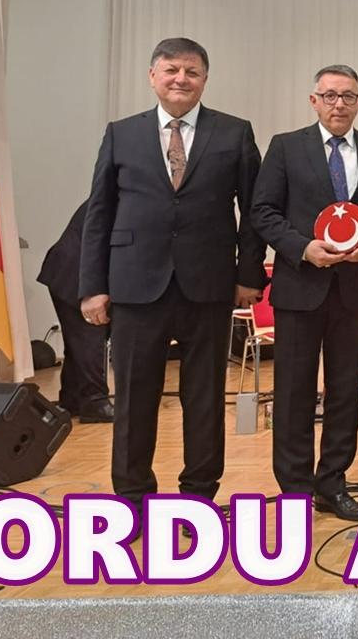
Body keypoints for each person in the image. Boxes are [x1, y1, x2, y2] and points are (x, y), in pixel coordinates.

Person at [79, 37, 267, 513]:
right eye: (171, 70)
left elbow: (254, 211)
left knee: (205, 399)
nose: (181, 79)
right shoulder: (121, 133)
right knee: (134, 399)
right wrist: (93, 287)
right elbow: (99, 213)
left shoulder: (234, 132)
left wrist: (249, 275)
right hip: (135, 285)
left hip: (209, 284)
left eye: (191, 71)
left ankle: (199, 498)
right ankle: (132, 499)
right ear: (153, 76)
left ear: (205, 79)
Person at [250, 64, 358, 521]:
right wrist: (302, 248)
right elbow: (263, 211)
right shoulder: (285, 147)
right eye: (330, 95)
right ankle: (295, 489)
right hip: (300, 287)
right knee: (293, 391)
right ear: (314, 100)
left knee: (345, 391)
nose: (339, 104)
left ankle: (332, 483)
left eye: (348, 96)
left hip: (353, 289)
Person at [37, 201, 113, 423]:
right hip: (75, 272)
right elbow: (96, 243)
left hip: (69, 268)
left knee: (79, 342)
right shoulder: (122, 194)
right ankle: (94, 402)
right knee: (90, 337)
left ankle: (73, 399)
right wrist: (94, 289)